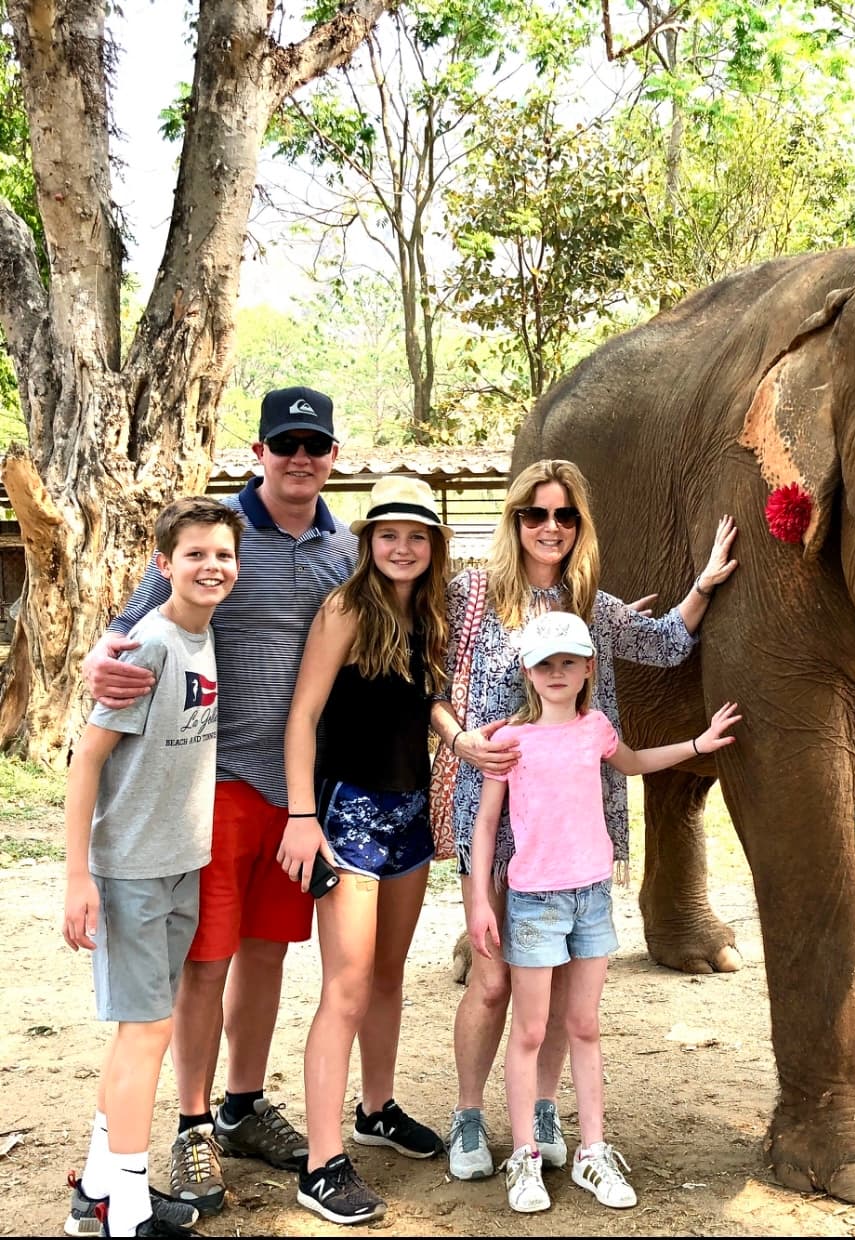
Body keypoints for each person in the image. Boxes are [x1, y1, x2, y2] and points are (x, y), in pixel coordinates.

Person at [82, 387, 357, 1215]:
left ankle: (241, 1105)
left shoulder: (344, 548)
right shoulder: (217, 536)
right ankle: (193, 1123)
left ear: (332, 457)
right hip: (219, 781)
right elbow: (132, 621)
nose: (300, 459)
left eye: (315, 446)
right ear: (260, 453)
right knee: (208, 958)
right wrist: (100, 657)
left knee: (269, 949)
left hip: (299, 791)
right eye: (286, 445)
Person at [430, 458, 737, 1180]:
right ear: (514, 521)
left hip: (575, 820)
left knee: (565, 980)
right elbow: (430, 687)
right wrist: (458, 737)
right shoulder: (471, 594)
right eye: (535, 514)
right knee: (495, 979)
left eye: (564, 516)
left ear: (578, 527)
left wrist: (705, 584)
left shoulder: (590, 605)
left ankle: (540, 1110)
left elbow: (664, 644)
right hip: (496, 810)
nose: (549, 527)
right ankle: (470, 1113)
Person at [467, 611, 740, 1213]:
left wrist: (698, 745)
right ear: (528, 672)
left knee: (584, 1025)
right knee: (532, 1029)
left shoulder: (596, 728)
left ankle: (593, 1149)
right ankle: (525, 1158)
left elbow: (636, 763)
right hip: (535, 901)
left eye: (568, 661)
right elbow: (486, 823)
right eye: (544, 663)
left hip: (591, 896)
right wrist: (483, 902)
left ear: (589, 668)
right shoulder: (508, 740)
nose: (556, 672)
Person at [63, 496, 244, 1237]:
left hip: (181, 863)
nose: (213, 567)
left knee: (139, 1030)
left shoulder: (205, 638)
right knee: (147, 1034)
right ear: (163, 565)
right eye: (195, 554)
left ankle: (97, 1193)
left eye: (224, 554)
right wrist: (79, 878)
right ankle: (128, 1213)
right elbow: (86, 760)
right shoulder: (151, 644)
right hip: (132, 869)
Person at [277, 477, 449, 1225]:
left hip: (410, 819)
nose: (402, 548)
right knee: (344, 987)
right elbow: (303, 716)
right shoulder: (346, 609)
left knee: (387, 973)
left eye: (416, 536)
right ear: (367, 542)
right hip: (346, 815)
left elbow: (426, 706)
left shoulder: (430, 617)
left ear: (433, 546)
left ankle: (375, 1107)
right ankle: (320, 1165)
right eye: (388, 535)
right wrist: (303, 815)